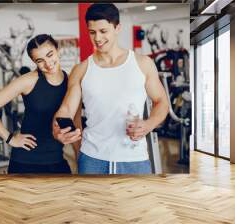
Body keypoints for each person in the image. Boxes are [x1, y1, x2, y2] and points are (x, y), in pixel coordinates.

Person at [53, 3, 169, 174]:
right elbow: (68, 108)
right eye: (92, 32)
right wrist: (58, 127)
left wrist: (149, 124)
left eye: (103, 31)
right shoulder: (81, 69)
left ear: (117, 28)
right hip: (92, 158)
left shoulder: (142, 63)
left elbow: (162, 102)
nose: (97, 38)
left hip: (134, 159)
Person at [0, 34, 71, 174]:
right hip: (26, 161)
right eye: (40, 60)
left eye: (50, 54)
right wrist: (10, 139)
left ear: (57, 50)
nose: (47, 63)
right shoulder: (28, 81)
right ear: (34, 62)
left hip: (57, 158)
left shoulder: (69, 81)